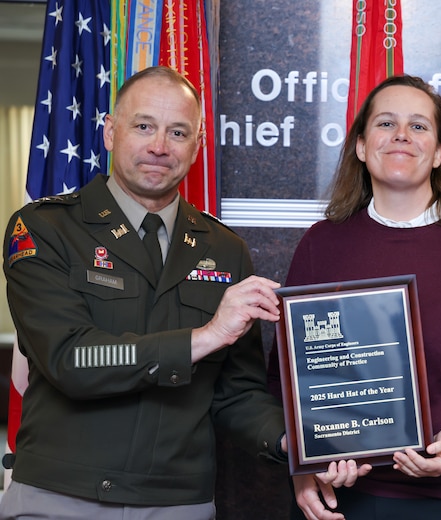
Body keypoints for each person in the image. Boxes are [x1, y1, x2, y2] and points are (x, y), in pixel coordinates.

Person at [1, 66, 287, 519]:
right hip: (61, 498)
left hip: (179, 503)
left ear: (198, 144)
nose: (159, 146)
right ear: (111, 133)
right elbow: (72, 360)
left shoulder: (225, 249)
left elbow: (237, 393)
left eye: (177, 132)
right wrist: (205, 336)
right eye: (144, 126)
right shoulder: (44, 228)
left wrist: (298, 442)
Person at [269, 75, 441, 520]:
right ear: (361, 145)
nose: (401, 134)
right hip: (347, 501)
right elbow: (285, 384)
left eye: (419, 126)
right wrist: (307, 465)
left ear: (438, 153)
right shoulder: (321, 244)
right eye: (386, 123)